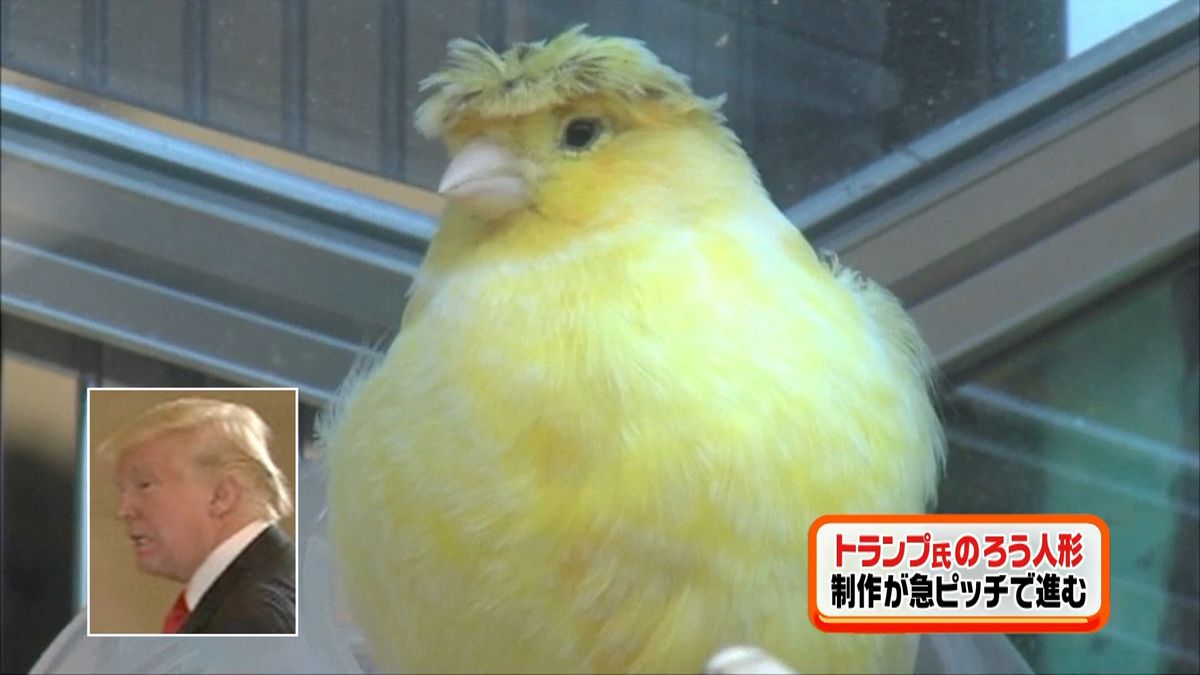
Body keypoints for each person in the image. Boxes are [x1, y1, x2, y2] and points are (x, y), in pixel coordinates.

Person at [99, 398, 296, 634]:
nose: (123, 510)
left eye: (144, 485)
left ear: (221, 496)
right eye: (122, 490)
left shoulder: (254, 616)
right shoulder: (255, 595)